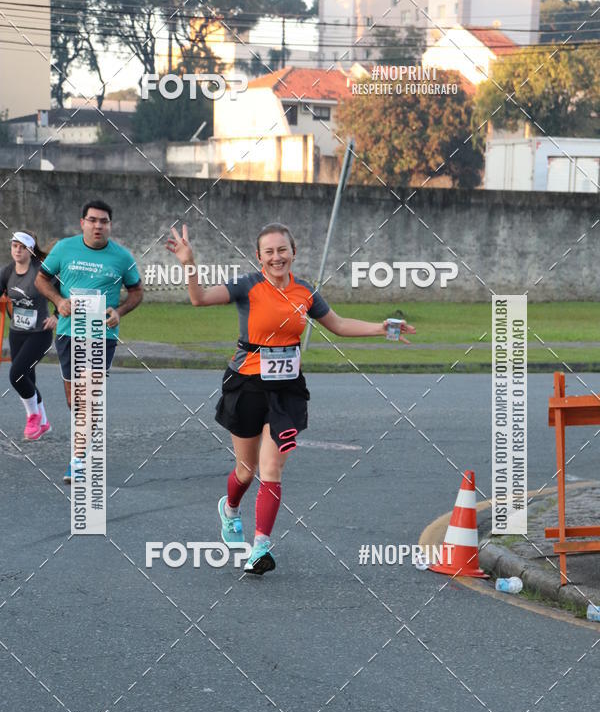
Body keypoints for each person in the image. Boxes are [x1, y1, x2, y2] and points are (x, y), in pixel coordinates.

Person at [166, 222, 415, 576]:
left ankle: (261, 547)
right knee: (246, 470)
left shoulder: (305, 293)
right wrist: (188, 262)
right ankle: (230, 508)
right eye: (269, 251)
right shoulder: (247, 285)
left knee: (272, 468)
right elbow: (199, 298)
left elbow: (340, 325)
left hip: (287, 392)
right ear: (259, 257)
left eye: (282, 249)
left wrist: (386, 328)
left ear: (293, 253)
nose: (276, 257)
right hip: (246, 385)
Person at [35, 200, 143, 482]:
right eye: (93, 220)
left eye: (104, 221)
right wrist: (58, 300)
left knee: (87, 399)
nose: (98, 225)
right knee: (75, 400)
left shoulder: (121, 257)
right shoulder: (64, 249)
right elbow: (41, 280)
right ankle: (85, 438)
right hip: (69, 332)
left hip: (101, 335)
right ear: (82, 222)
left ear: (110, 225)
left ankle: (78, 459)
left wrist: (119, 312)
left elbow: (137, 292)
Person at [0, 231, 57, 441]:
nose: (17, 250)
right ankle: (43, 423)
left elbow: (63, 291)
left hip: (40, 334)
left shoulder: (41, 272)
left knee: (16, 375)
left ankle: (33, 416)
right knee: (27, 378)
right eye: (14, 246)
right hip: (17, 334)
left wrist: (58, 315)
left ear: (30, 250)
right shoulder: (7, 272)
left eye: (22, 247)